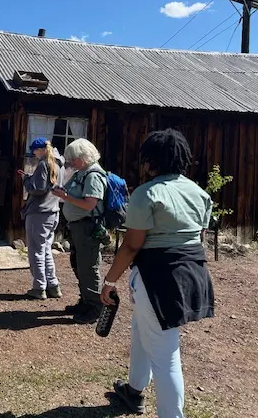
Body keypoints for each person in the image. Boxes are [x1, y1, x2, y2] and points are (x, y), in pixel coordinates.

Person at [100, 129, 214, 417]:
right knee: (142, 329)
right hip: (193, 275)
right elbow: (196, 237)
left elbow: (131, 246)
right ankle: (134, 389)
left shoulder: (146, 194)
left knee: (166, 356)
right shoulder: (198, 193)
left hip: (157, 278)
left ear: (151, 160)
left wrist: (109, 281)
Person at [52, 138, 107, 324]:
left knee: (88, 268)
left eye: (73, 158)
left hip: (88, 227)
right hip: (78, 227)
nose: (70, 162)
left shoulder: (93, 175)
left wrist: (65, 196)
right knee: (79, 265)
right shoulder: (81, 173)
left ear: (83, 156)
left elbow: (90, 204)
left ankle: (94, 308)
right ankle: (85, 301)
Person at [19, 138, 65, 300]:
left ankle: (39, 287)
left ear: (42, 149)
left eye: (35, 151)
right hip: (53, 211)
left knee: (36, 251)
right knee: (46, 251)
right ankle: (52, 285)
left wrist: (26, 179)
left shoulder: (43, 164)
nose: (34, 154)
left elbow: (38, 189)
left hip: (39, 212)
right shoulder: (59, 164)